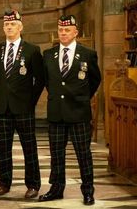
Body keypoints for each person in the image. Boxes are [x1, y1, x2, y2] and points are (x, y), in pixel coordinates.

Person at [38, 15, 101, 206]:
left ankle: (88, 191)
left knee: (84, 154)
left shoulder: (88, 53)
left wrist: (81, 98)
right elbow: (48, 81)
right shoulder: (49, 54)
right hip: (57, 112)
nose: (63, 33)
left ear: (76, 32)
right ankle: (56, 189)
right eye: (61, 30)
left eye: (67, 30)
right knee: (57, 154)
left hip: (79, 112)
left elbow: (95, 80)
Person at [0, 10, 44, 198]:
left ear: (20, 27)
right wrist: (3, 94)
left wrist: (30, 101)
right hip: (3, 107)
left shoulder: (32, 50)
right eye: (6, 25)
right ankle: (4, 183)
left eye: (12, 24)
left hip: (24, 107)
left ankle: (33, 184)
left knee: (29, 146)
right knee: (2, 147)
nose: (9, 27)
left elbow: (40, 79)